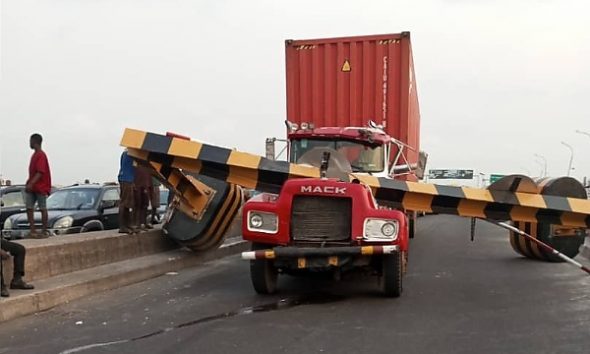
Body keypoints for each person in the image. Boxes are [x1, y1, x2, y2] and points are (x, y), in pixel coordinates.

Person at [25, 133, 52, 238]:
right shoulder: (34, 155)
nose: (29, 143)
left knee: (42, 208)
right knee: (29, 208)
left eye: (30, 141)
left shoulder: (41, 155)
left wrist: (32, 183)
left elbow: (40, 172)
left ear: (35, 142)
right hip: (32, 187)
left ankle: (44, 230)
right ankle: (33, 230)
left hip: (40, 186)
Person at [117, 150, 137, 234]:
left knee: (128, 203)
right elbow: (136, 166)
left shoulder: (126, 153)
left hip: (126, 178)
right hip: (127, 179)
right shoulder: (131, 153)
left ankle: (127, 225)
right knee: (125, 203)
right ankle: (122, 226)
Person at [134, 165, 153, 230]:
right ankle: (137, 224)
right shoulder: (136, 162)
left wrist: (150, 187)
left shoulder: (147, 164)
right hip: (138, 184)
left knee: (145, 205)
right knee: (138, 204)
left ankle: (143, 223)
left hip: (146, 185)